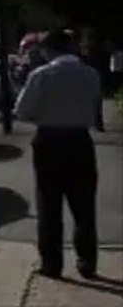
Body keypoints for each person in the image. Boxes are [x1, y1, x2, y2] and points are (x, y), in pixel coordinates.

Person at [14, 28, 103, 280]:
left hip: (49, 140)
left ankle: (52, 264)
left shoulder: (42, 75)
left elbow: (22, 111)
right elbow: (94, 107)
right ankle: (87, 261)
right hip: (80, 140)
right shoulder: (91, 75)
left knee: (49, 205)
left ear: (49, 50)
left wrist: (42, 114)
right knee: (84, 206)